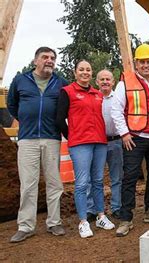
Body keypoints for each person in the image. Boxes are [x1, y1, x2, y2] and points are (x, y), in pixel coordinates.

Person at [7, 47, 68, 243]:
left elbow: (65, 108)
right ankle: (25, 226)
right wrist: (26, 119)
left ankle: (54, 222)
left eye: (52, 58)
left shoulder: (61, 83)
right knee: (28, 184)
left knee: (54, 182)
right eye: (45, 57)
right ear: (35, 61)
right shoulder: (20, 80)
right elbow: (12, 105)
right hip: (27, 139)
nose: (49, 60)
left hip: (51, 138)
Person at [111, 44, 149, 237]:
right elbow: (116, 110)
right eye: (142, 62)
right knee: (129, 178)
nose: (146, 65)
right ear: (136, 64)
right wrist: (124, 134)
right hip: (135, 138)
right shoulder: (125, 84)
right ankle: (126, 218)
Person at [56, 60, 115, 238]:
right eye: (81, 69)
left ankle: (100, 215)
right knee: (82, 183)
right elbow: (59, 119)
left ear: (91, 73)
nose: (85, 72)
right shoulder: (67, 92)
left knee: (98, 181)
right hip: (80, 144)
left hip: (99, 142)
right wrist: (72, 136)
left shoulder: (97, 94)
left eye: (88, 70)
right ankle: (83, 221)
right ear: (75, 73)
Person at [86, 69, 123, 220]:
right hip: (98, 143)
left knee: (117, 177)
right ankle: (93, 209)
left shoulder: (119, 98)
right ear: (97, 82)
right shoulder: (93, 98)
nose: (105, 82)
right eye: (102, 79)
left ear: (113, 82)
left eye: (108, 79)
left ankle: (117, 207)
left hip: (116, 141)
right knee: (95, 178)